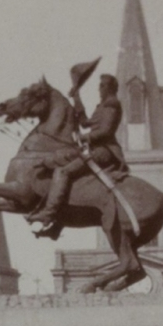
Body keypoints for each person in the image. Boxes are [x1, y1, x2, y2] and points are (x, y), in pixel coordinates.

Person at [28, 73, 128, 234]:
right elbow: (85, 122)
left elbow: (106, 131)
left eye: (102, 86)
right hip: (94, 148)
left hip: (104, 151)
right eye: (99, 86)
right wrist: (77, 98)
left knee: (64, 171)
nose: (99, 89)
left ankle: (48, 213)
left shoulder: (112, 104)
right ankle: (57, 224)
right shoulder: (102, 106)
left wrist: (84, 136)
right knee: (66, 166)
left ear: (110, 88)